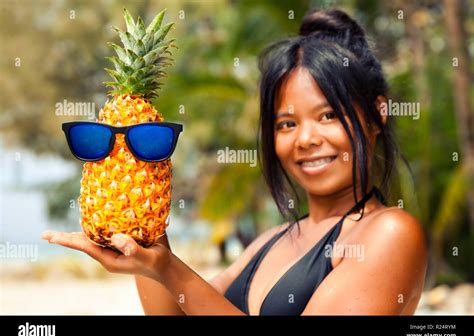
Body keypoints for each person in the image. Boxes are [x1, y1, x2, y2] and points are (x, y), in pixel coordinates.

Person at [42, 8, 427, 315]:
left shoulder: (390, 233)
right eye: (287, 123)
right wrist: (143, 216)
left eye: (328, 116)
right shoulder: (272, 240)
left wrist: (167, 269)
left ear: (377, 115)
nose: (306, 139)